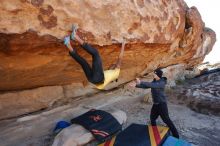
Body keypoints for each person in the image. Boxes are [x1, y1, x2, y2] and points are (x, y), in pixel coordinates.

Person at [64, 25, 125, 90]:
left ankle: (75, 36)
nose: (113, 65)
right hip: (92, 80)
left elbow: (120, 58)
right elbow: (109, 69)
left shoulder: (117, 73)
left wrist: (123, 44)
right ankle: (67, 43)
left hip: (98, 78)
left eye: (114, 65)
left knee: (95, 54)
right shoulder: (107, 78)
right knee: (83, 63)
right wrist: (112, 66)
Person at [129, 68, 179, 138]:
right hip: (155, 104)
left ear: (158, 74)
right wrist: (136, 85)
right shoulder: (155, 80)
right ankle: (154, 132)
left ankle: (176, 136)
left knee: (167, 120)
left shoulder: (162, 82)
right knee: (152, 119)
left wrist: (141, 82)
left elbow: (153, 85)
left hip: (162, 104)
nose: (153, 75)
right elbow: (147, 86)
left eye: (154, 74)